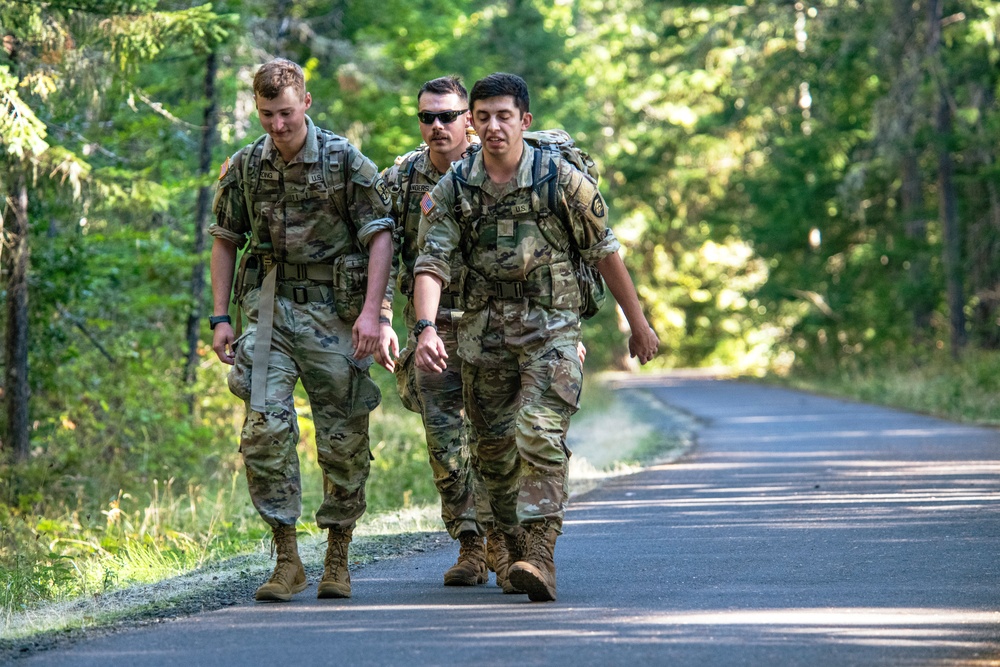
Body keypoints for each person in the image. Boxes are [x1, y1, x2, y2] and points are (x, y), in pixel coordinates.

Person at [412, 72, 659, 602]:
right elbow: (431, 262)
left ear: (524, 120)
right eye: (484, 117)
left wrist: (638, 322)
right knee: (493, 452)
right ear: (473, 125)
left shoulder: (559, 181)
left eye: (505, 116)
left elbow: (605, 252)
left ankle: (541, 553)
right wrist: (427, 328)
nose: (494, 127)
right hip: (482, 335)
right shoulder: (455, 186)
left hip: (551, 326)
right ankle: (515, 543)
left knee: (539, 430)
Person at [209, 58, 394, 603]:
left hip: (334, 314)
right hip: (269, 311)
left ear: (306, 103)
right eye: (267, 115)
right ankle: (287, 557)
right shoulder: (246, 167)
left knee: (342, 436)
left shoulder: (344, 161)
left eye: (286, 113)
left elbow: (380, 236)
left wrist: (372, 312)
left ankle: (338, 554)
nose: (277, 125)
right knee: (264, 430)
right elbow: (225, 236)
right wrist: (221, 316)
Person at [378, 76, 506, 587]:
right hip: (435, 330)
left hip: (499, 327)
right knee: (445, 442)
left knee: (496, 438)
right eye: (427, 117)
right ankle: (471, 544)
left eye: (447, 116)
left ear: (468, 121)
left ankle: (504, 537)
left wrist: (561, 331)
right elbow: (379, 249)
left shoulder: (500, 169)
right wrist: (381, 316)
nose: (436, 126)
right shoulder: (403, 178)